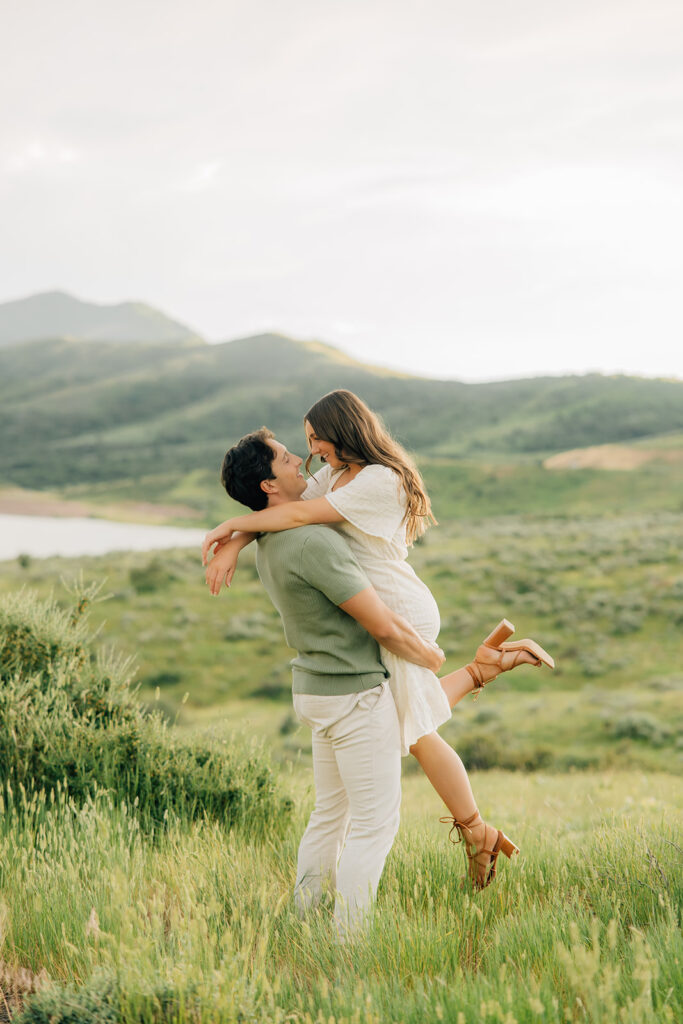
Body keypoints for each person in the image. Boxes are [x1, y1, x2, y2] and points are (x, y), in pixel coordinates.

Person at [204, 393, 554, 889]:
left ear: (342, 433)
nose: (309, 454)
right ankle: (484, 674)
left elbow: (295, 517)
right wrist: (236, 542)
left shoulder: (378, 480)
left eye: (314, 441)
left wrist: (230, 527)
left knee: (414, 732)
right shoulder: (333, 475)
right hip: (380, 606)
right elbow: (282, 511)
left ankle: (477, 830)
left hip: (396, 607)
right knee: (409, 724)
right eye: (301, 446)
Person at [218, 427, 445, 935]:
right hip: (353, 695)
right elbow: (381, 624)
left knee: (331, 815)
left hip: (317, 691)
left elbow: (273, 517)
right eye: (283, 459)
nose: (298, 460)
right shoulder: (312, 541)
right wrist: (427, 656)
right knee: (373, 826)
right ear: (269, 487)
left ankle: (306, 918)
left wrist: (234, 539)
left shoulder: (272, 540)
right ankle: (348, 944)